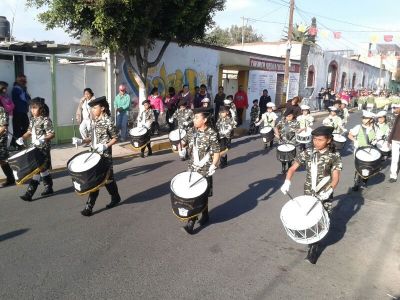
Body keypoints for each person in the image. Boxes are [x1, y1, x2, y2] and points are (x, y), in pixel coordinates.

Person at [280, 125, 342, 264]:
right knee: (308, 218)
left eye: (320, 140)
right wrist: (287, 182)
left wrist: (330, 190)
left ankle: (314, 249)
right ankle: (312, 244)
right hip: (308, 192)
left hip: (325, 193)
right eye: (314, 139)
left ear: (328, 140)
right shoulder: (308, 152)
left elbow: (336, 177)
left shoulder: (334, 155)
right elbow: (293, 168)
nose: (316, 142)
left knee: (320, 218)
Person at [72, 96, 121, 216]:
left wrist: (106, 146)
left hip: (104, 157)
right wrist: (81, 141)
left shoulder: (108, 121)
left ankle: (89, 207)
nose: (92, 110)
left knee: (100, 181)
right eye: (91, 108)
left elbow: (116, 137)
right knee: (105, 180)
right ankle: (115, 198)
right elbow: (91, 138)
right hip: (94, 155)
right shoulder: (94, 122)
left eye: (95, 107)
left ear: (102, 108)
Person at [180, 107, 220, 234]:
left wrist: (214, 165)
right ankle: (205, 215)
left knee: (200, 195)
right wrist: (180, 147)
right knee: (193, 194)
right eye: (194, 117)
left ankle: (191, 222)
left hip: (205, 169)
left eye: (197, 117)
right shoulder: (192, 130)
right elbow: (184, 142)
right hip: (192, 168)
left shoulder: (211, 133)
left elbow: (216, 152)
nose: (194, 119)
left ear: (205, 119)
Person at [16, 97, 55, 201]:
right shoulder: (33, 120)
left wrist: (43, 139)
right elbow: (29, 132)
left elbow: (51, 134)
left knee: (36, 170)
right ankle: (49, 187)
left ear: (41, 108)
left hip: (43, 149)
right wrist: (22, 138)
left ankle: (29, 193)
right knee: (43, 168)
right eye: (31, 108)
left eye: (35, 108)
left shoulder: (46, 120)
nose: (32, 110)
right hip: (34, 148)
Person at [348, 110, 377, 191]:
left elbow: (376, 137)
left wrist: (375, 141)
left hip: (370, 151)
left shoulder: (374, 128)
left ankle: (365, 181)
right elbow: (350, 135)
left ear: (371, 119)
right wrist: (355, 140)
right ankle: (356, 183)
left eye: (366, 118)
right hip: (359, 150)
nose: (363, 120)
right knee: (358, 167)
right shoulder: (358, 127)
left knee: (367, 167)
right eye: (363, 118)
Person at [274, 109, 300, 174]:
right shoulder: (282, 121)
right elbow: (276, 127)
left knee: (290, 155)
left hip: (292, 141)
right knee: (283, 155)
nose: (288, 117)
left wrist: (299, 131)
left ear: (293, 116)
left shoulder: (296, 122)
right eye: (287, 116)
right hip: (283, 140)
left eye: (290, 116)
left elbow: (299, 130)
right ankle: (283, 167)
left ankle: (289, 166)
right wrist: (277, 134)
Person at [11, 74, 31, 149]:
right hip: (18, 111)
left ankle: (18, 142)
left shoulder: (23, 88)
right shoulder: (16, 88)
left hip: (23, 111)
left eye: (24, 80)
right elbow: (25, 98)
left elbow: (27, 97)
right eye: (22, 80)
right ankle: (16, 144)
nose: (24, 81)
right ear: (17, 80)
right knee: (17, 128)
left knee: (26, 127)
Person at [0, 101, 15, 187]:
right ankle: (10, 178)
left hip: (1, 139)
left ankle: (10, 178)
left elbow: (4, 126)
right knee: (2, 160)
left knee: (2, 160)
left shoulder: (2, 110)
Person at [0, 81, 14, 147]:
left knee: (10, 132)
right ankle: (5, 148)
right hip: (4, 117)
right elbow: (5, 108)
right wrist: (10, 107)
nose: (6, 89)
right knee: (4, 132)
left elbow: (13, 105)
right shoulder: (0, 97)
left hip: (10, 116)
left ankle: (7, 147)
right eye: (4, 87)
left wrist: (9, 107)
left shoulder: (7, 96)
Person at [388, 104, 400, 182]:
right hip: (395, 140)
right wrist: (389, 140)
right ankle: (393, 175)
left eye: (397, 107)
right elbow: (394, 128)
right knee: (395, 159)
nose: (395, 109)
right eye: (394, 107)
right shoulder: (397, 117)